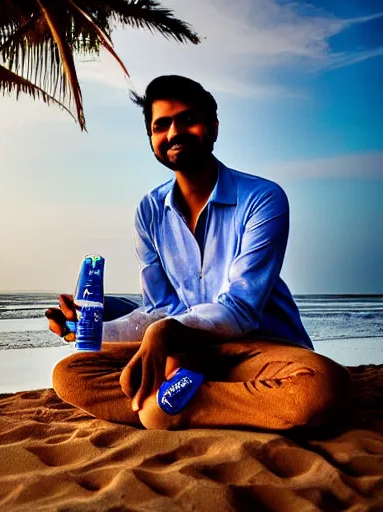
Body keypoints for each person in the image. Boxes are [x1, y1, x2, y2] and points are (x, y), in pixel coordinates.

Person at [46, 75, 352, 432]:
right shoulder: (149, 211)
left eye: (187, 119)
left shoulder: (263, 199)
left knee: (322, 385)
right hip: (186, 352)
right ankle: (189, 401)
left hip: (259, 349)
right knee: (70, 372)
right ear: (152, 138)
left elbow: (239, 309)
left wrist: (165, 333)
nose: (174, 132)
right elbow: (160, 309)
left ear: (213, 127)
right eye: (161, 125)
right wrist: (92, 320)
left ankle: (172, 407)